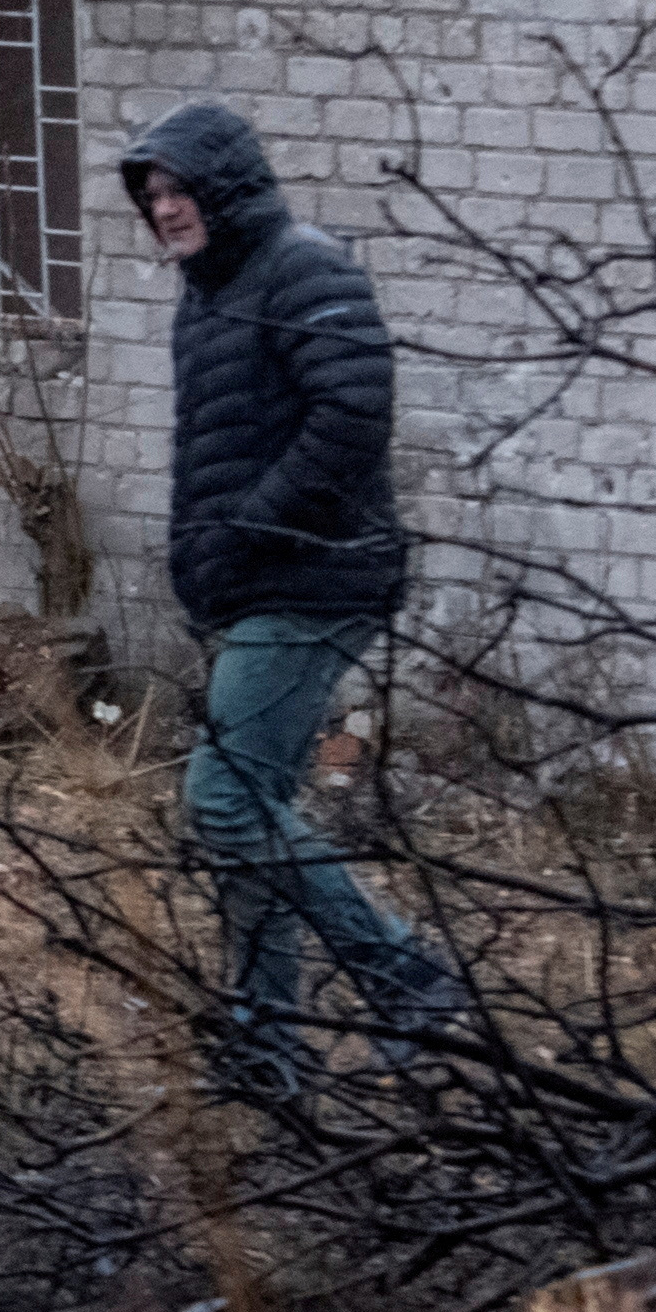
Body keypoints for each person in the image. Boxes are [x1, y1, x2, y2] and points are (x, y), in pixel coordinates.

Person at [113, 101, 461, 1099]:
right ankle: (266, 1041)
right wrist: (206, 564)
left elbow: (352, 413)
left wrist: (248, 531)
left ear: (226, 188)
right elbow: (213, 452)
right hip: (255, 582)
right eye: (152, 195)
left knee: (225, 802)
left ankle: (406, 975)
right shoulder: (209, 293)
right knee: (252, 810)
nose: (165, 209)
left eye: (180, 189)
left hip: (316, 577)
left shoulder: (303, 269)